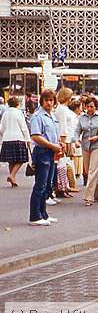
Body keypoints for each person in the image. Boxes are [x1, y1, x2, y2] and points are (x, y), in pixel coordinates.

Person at [28, 90, 62, 226]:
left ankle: (43, 214)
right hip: (42, 152)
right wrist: (52, 145)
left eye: (51, 100)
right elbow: (36, 136)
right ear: (42, 101)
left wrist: (59, 143)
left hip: (50, 152)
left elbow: (53, 133)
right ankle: (35, 216)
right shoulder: (38, 116)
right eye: (46, 100)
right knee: (40, 185)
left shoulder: (51, 116)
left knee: (47, 185)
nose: (49, 102)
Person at [75, 97, 98, 206]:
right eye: (87, 106)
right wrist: (76, 140)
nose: (89, 108)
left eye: (92, 106)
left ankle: (88, 197)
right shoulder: (82, 118)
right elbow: (77, 130)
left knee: (92, 170)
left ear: (96, 107)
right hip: (86, 146)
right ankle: (97, 192)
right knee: (88, 171)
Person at [0, 97, 31, 187]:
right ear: (17, 104)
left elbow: (1, 128)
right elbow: (23, 127)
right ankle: (12, 175)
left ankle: (12, 178)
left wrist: (4, 134)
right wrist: (28, 139)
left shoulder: (6, 113)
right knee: (21, 159)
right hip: (18, 138)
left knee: (11, 160)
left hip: (7, 138)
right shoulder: (18, 113)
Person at [54, 88, 79, 193]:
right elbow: (63, 126)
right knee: (64, 163)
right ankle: (64, 185)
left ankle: (67, 184)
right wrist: (63, 142)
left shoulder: (63, 109)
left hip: (69, 138)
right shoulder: (62, 109)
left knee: (66, 163)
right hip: (65, 139)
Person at [68, 100, 84, 183]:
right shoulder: (73, 117)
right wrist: (76, 140)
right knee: (74, 159)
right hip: (74, 141)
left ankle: (74, 180)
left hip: (76, 141)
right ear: (76, 108)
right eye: (80, 108)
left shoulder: (76, 117)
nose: (81, 110)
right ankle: (72, 181)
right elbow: (73, 130)